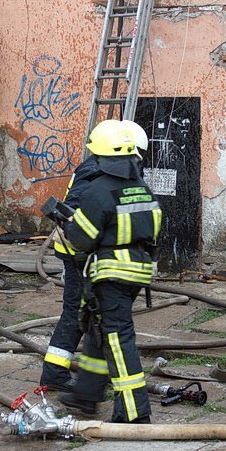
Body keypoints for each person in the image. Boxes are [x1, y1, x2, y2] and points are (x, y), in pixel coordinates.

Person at [57, 120, 161, 423]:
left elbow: (81, 240)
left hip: (111, 274)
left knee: (117, 338)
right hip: (137, 272)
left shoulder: (98, 189)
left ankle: (134, 411)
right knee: (98, 332)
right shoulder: (142, 188)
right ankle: (85, 397)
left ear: (101, 156)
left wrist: (69, 224)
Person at [40, 120, 149, 392]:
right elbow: (76, 209)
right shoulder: (95, 171)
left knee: (88, 316)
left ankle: (87, 382)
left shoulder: (98, 166)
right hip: (78, 253)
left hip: (84, 251)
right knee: (76, 314)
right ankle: (54, 375)